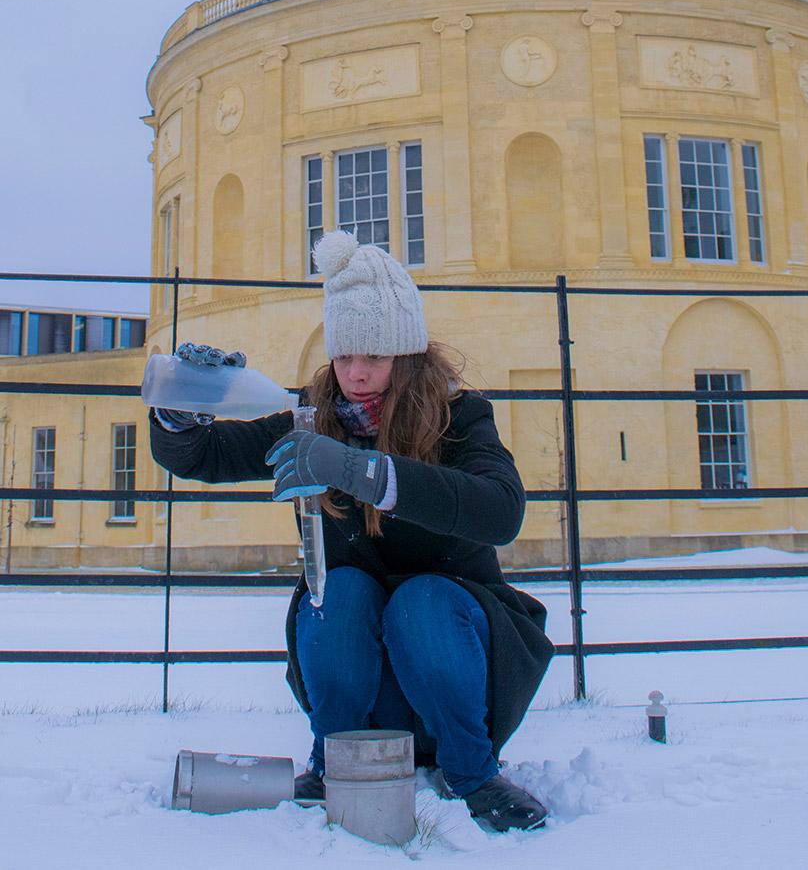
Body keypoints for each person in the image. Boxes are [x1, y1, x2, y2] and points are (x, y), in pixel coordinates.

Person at [149, 228, 553, 832]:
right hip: (364, 692)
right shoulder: (312, 421)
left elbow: (500, 511)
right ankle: (335, 760)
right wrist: (178, 408)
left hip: (455, 675)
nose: (356, 374)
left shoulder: (460, 416)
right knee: (335, 591)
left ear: (408, 356)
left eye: (374, 357)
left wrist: (365, 472)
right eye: (344, 357)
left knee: (423, 599)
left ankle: (473, 775)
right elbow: (204, 457)